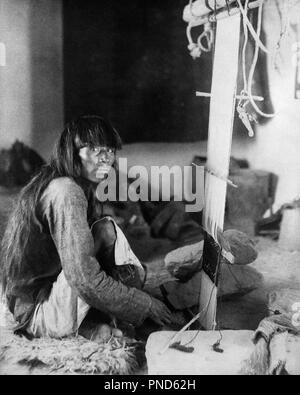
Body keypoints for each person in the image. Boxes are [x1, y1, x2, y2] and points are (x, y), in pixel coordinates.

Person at [0, 115, 175, 341]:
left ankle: (105, 322)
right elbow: (84, 279)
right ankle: (119, 321)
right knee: (106, 233)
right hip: (38, 313)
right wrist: (145, 305)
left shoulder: (68, 183)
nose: (105, 158)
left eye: (110, 150)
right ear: (71, 152)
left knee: (104, 230)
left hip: (45, 298)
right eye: (94, 149)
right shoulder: (65, 190)